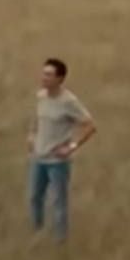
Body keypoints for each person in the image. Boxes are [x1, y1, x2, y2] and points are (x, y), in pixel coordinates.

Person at [29, 58, 96, 241]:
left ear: (60, 79)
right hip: (39, 157)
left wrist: (72, 147)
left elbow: (89, 126)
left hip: (57, 162)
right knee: (35, 197)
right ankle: (37, 232)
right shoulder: (41, 96)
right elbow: (38, 116)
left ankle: (60, 239)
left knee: (59, 202)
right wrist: (32, 135)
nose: (44, 78)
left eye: (49, 75)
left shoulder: (69, 102)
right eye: (44, 73)